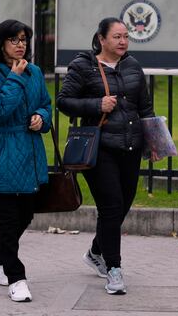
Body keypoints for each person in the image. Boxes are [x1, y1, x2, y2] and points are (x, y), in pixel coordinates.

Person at [56, 17, 155, 295]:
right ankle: (114, 269)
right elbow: (63, 101)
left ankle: (95, 252)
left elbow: (145, 107)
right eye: (117, 37)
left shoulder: (133, 66)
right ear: (101, 39)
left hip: (131, 146)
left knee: (122, 206)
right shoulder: (83, 66)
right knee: (111, 207)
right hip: (99, 148)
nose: (123, 42)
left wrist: (154, 141)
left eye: (126, 37)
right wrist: (96, 104)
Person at [0, 19, 52, 302]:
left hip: (30, 152)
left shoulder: (35, 72)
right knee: (8, 216)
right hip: (3, 151)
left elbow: (45, 103)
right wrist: (15, 78)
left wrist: (41, 118)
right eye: (14, 40)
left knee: (27, 212)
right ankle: (16, 277)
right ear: (1, 44)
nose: (21, 45)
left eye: (23, 40)